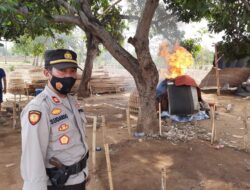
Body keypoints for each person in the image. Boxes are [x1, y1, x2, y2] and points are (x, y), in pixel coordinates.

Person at [20, 49, 89, 190]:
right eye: (62, 71)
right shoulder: (39, 108)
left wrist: (84, 172)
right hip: (59, 184)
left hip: (78, 178)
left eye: (72, 70)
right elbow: (33, 158)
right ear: (47, 73)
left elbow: (77, 141)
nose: (69, 76)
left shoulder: (72, 101)